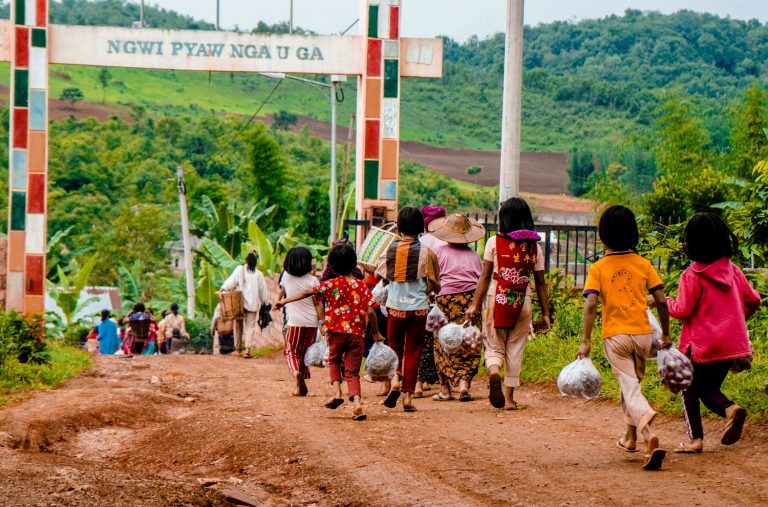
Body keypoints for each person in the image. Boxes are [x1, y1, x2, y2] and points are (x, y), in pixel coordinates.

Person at [651, 212, 761, 454]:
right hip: (732, 345)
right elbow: (754, 299)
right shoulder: (732, 270)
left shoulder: (692, 275)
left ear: (691, 243)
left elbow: (682, 310)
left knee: (688, 387)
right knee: (707, 388)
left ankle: (701, 434)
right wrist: (739, 317)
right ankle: (728, 410)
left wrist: (663, 302)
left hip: (702, 346)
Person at [576, 205, 671, 471]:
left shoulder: (598, 268)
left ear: (602, 236)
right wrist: (665, 332)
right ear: (633, 235)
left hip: (615, 338)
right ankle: (630, 438)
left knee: (630, 388)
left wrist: (586, 340)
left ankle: (649, 433)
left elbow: (591, 304)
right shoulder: (643, 264)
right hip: (642, 337)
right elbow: (662, 301)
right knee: (630, 386)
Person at [276, 242, 384, 421]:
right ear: (354, 263)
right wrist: (375, 333)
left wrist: (284, 301)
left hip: (336, 333)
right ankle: (357, 404)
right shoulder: (360, 285)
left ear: (332, 265)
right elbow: (371, 311)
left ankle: (337, 393)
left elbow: (306, 293)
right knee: (352, 372)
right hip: (357, 335)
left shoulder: (330, 284)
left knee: (334, 360)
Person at [467, 198, 550, 410]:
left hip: (497, 297)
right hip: (523, 300)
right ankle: (510, 398)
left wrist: (475, 305)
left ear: (504, 219)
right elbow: (540, 282)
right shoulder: (535, 248)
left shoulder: (494, 242)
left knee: (494, 343)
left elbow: (485, 276)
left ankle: (494, 371)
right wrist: (546, 314)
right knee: (515, 347)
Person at [375, 206, 441, 412]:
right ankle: (408, 398)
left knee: (395, 348)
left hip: (395, 308)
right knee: (413, 352)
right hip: (419, 310)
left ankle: (395, 379)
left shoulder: (391, 250)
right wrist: (425, 291)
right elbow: (435, 284)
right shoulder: (427, 253)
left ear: (399, 226)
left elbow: (379, 276)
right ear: (421, 226)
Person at [428, 214, 485, 401]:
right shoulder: (475, 256)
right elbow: (480, 282)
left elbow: (434, 280)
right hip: (469, 301)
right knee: (468, 341)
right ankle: (463, 384)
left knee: (442, 342)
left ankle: (445, 390)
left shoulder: (440, 253)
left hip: (444, 300)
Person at [413, 205, 447, 397]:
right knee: (440, 340)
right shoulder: (445, 242)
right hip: (441, 296)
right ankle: (442, 382)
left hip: (420, 297)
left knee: (422, 341)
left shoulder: (420, 242)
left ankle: (419, 382)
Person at [281, 247, 320, 396]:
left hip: (295, 322)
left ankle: (296, 373)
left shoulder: (286, 277)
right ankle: (299, 387)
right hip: (312, 323)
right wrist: (322, 323)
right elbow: (317, 303)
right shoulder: (313, 280)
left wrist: (279, 301)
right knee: (303, 354)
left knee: (291, 352)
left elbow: (283, 290)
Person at [221, 252, 269, 358]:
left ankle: (237, 350)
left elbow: (231, 282)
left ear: (246, 260)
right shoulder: (259, 274)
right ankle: (248, 350)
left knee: (238, 326)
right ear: (256, 262)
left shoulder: (240, 270)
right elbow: (263, 291)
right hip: (252, 305)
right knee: (250, 327)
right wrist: (266, 302)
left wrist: (223, 289)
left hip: (239, 303)